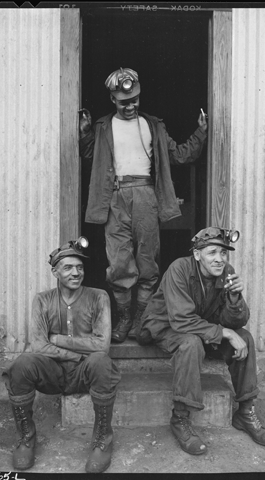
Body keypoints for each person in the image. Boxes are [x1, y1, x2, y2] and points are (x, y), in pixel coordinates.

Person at [79, 67, 208, 344]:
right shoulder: (103, 126)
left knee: (148, 261)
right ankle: (124, 318)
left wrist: (201, 132)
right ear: (113, 99)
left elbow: (180, 155)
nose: (130, 106)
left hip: (146, 195)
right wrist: (86, 133)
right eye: (124, 101)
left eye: (134, 100)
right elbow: (89, 155)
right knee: (119, 263)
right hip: (114, 198)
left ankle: (140, 319)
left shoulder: (153, 126)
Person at [135, 227, 265, 455]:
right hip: (166, 326)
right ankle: (180, 418)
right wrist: (225, 333)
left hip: (202, 328)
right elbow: (180, 320)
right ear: (197, 254)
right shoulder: (179, 269)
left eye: (223, 253)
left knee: (245, 337)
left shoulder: (226, 271)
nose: (219, 259)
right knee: (190, 343)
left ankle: (245, 412)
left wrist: (234, 299)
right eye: (212, 252)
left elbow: (236, 320)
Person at [4, 237, 121, 473]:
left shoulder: (99, 297)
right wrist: (76, 354)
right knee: (22, 364)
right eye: (67, 268)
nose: (75, 273)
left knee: (101, 361)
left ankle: (102, 441)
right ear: (55, 272)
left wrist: (57, 340)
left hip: (84, 373)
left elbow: (101, 346)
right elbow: (38, 346)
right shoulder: (43, 300)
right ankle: (26, 438)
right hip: (53, 373)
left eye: (80, 267)